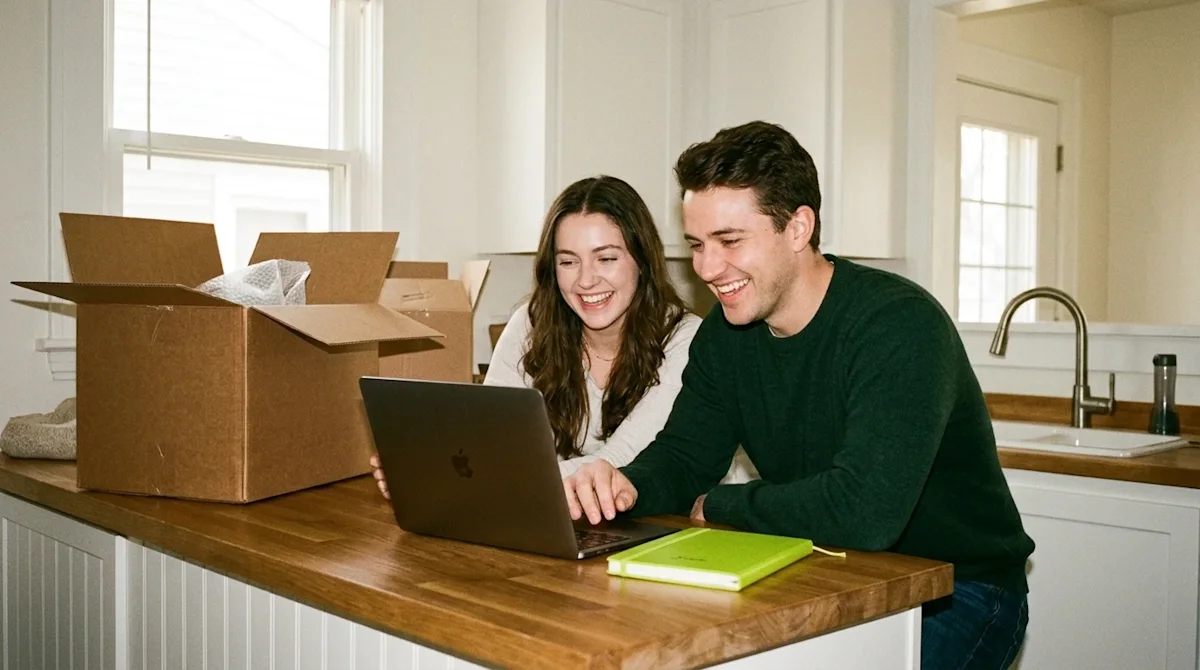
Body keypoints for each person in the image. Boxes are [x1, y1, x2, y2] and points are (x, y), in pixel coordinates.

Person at [562, 122, 1034, 670]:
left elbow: (864, 512)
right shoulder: (726, 336)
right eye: (697, 245)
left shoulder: (899, 325)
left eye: (730, 241)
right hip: (825, 572)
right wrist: (620, 487)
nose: (707, 269)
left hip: (960, 590)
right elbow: (685, 457)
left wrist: (722, 505)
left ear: (798, 227)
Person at [370, 175, 757, 497]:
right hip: (561, 515)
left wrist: (460, 479)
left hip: (674, 528)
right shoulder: (531, 324)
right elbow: (489, 438)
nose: (586, 280)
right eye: (568, 261)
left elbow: (620, 461)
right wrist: (426, 465)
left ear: (642, 260)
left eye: (606, 258)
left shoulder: (686, 340)